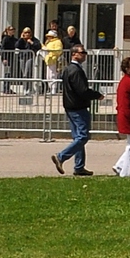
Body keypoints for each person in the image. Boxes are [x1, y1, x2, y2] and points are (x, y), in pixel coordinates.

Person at [51, 45, 104, 176]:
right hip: (78, 107)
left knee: (78, 138)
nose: (85, 55)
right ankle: (61, 156)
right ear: (74, 54)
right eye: (82, 52)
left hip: (71, 106)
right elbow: (82, 91)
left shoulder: (69, 69)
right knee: (82, 137)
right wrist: (97, 95)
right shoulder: (75, 70)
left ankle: (79, 167)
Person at [0, 25, 18, 92]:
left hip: (11, 57)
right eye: (11, 30)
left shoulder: (13, 39)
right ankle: (6, 88)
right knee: (7, 73)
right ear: (8, 31)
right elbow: (3, 48)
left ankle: (8, 87)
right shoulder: (5, 38)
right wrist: (4, 58)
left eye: (13, 30)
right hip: (6, 58)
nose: (13, 31)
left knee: (9, 73)